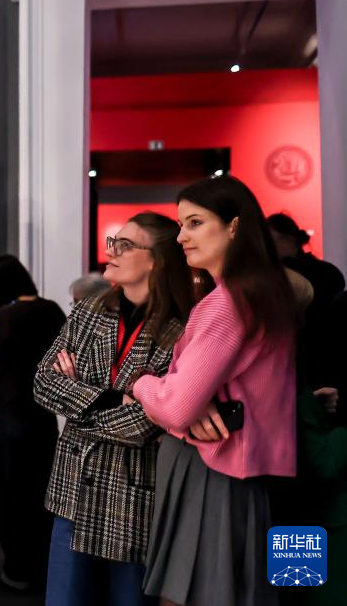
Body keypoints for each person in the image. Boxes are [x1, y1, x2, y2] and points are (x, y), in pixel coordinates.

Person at [131, 176, 297, 606]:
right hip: (242, 471)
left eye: (195, 222)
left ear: (234, 226)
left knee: (192, 593)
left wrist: (141, 383)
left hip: (210, 467)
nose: (181, 236)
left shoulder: (226, 303)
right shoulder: (263, 293)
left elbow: (176, 408)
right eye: (181, 225)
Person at [34, 213, 194, 606]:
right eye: (113, 243)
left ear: (157, 260)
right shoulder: (89, 310)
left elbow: (148, 423)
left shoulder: (183, 327)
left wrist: (78, 400)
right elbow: (43, 383)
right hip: (73, 490)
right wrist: (111, 399)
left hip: (134, 499)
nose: (112, 252)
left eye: (125, 245)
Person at [0, 255, 67, 591]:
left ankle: (17, 569)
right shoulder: (52, 310)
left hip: (12, 411)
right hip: (43, 412)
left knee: (12, 492)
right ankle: (45, 566)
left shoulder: (7, 315)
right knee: (42, 489)